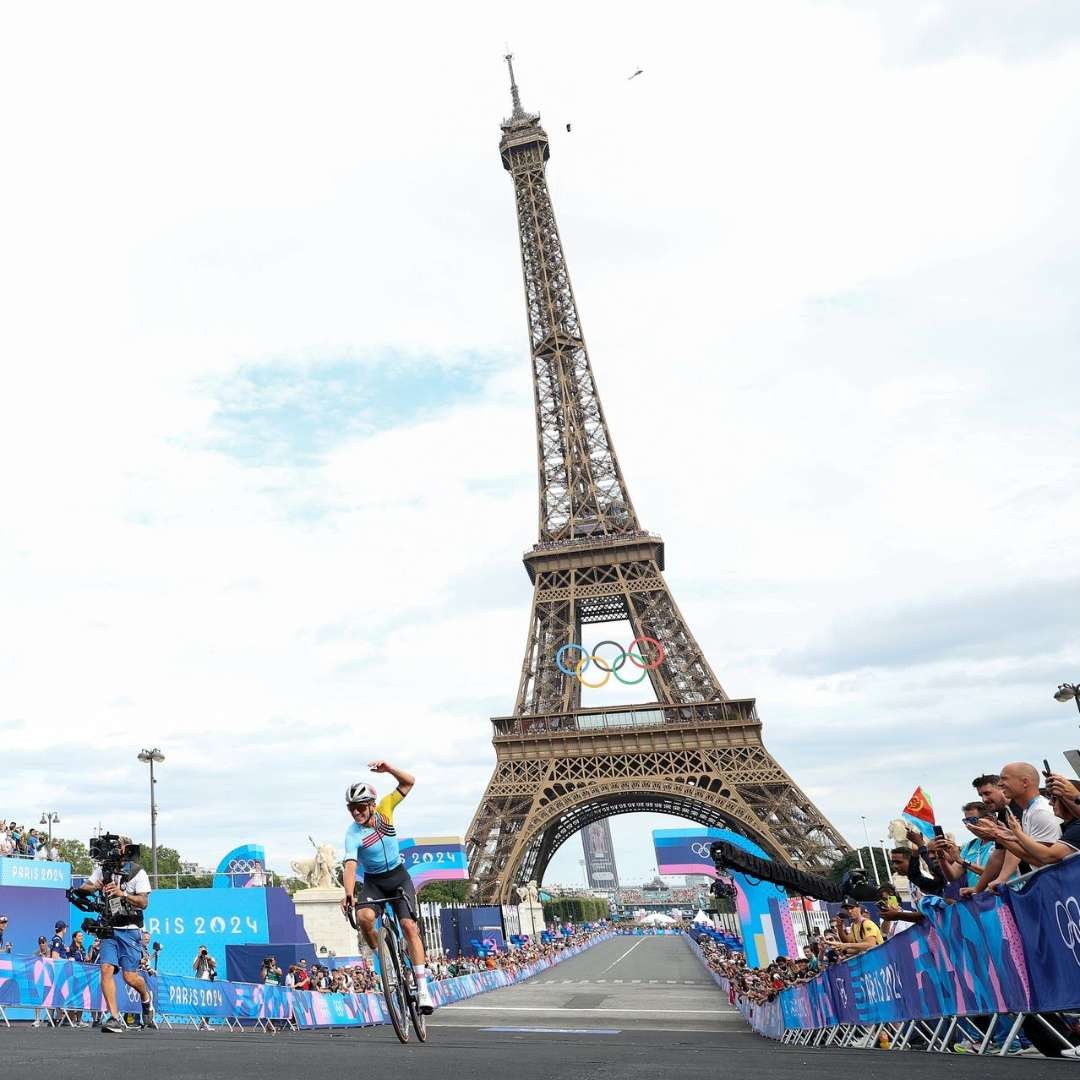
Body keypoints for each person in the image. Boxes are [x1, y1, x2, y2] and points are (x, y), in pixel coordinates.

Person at [340, 760, 434, 1013]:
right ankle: (382, 958)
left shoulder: (385, 809)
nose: (356, 813)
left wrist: (389, 769)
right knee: (364, 917)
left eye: (360, 808)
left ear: (371, 805)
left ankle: (423, 989)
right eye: (352, 809)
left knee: (408, 926)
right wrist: (348, 893)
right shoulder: (353, 833)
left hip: (399, 877)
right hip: (375, 882)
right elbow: (350, 865)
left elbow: (408, 782)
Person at [71, 835, 156, 1033]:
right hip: (108, 928)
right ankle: (114, 1018)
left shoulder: (136, 872)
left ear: (125, 849)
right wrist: (96, 886)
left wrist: (121, 894)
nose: (113, 850)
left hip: (130, 929)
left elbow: (144, 902)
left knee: (129, 977)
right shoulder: (103, 869)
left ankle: (146, 998)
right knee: (106, 970)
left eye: (117, 846)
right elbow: (84, 888)